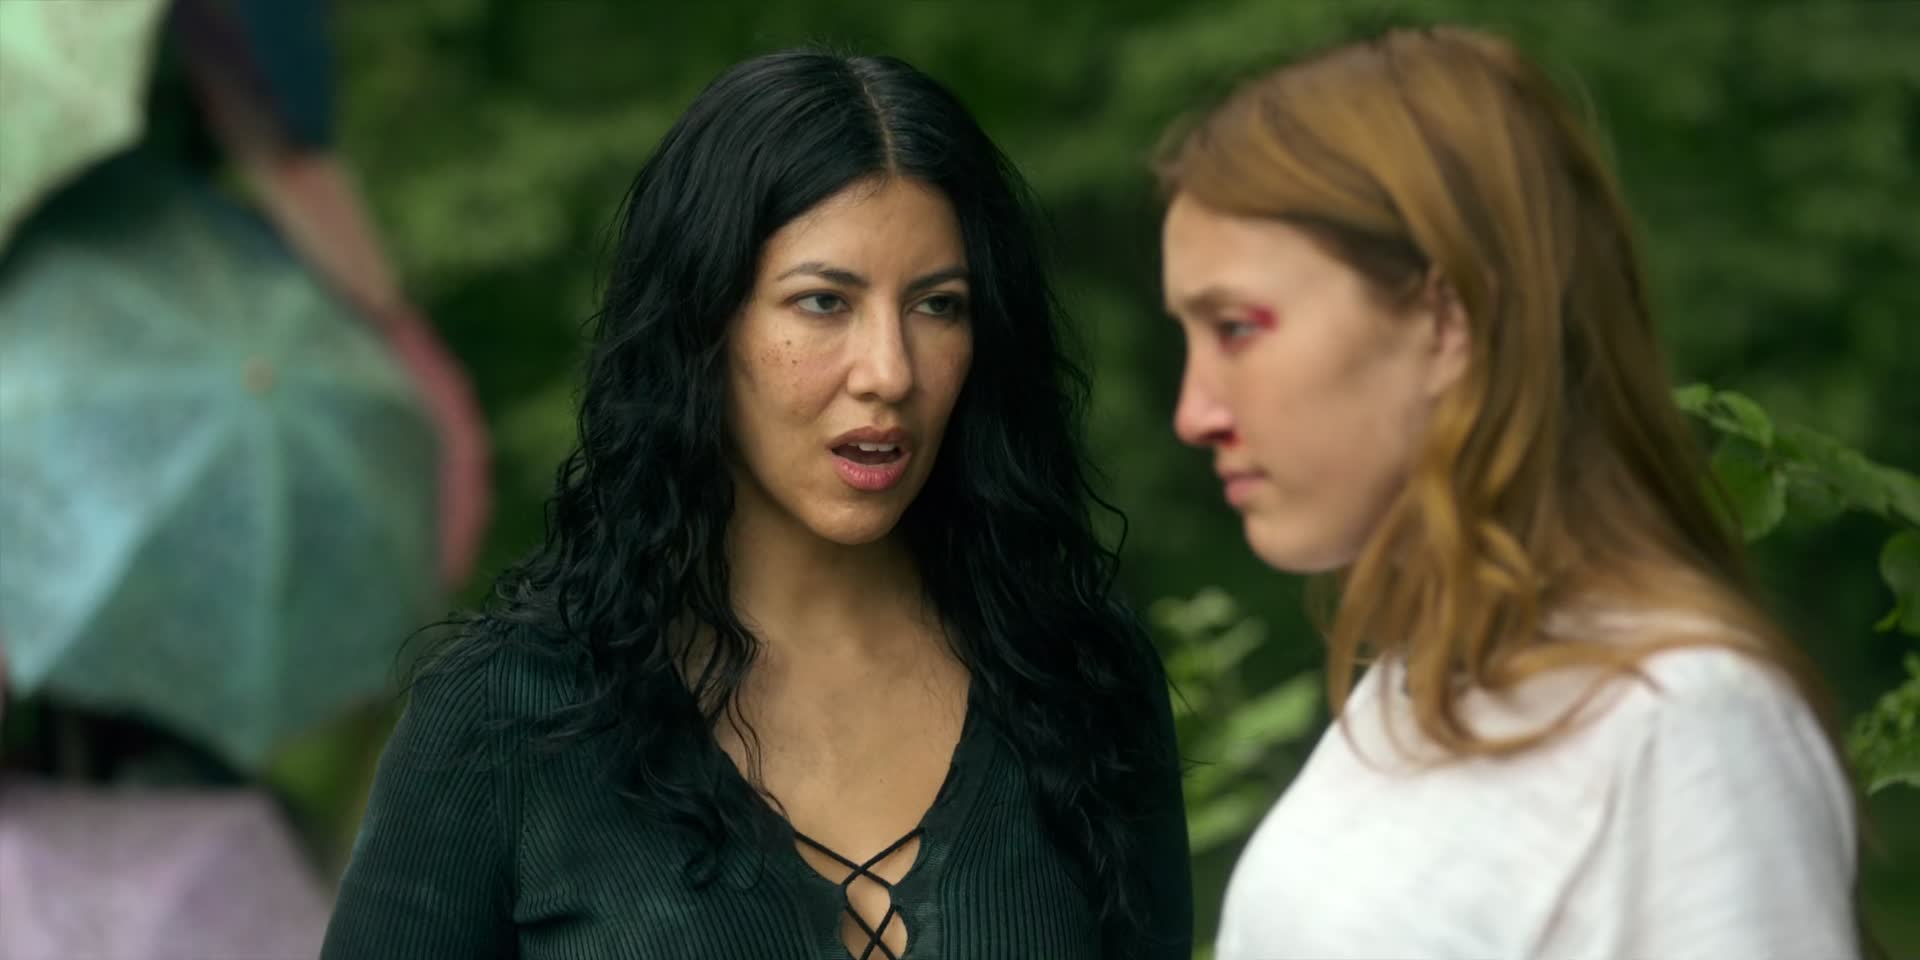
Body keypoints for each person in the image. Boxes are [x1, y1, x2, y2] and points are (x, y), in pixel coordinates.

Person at [321, 50, 1192, 960]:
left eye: (938, 306)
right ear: (703, 322)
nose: (889, 372)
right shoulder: (508, 713)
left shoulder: (1076, 679)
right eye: (823, 302)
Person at [1156, 25, 1860, 959]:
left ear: (1449, 318)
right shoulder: (1418, 687)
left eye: (1237, 329)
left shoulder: (1682, 724)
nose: (1195, 413)